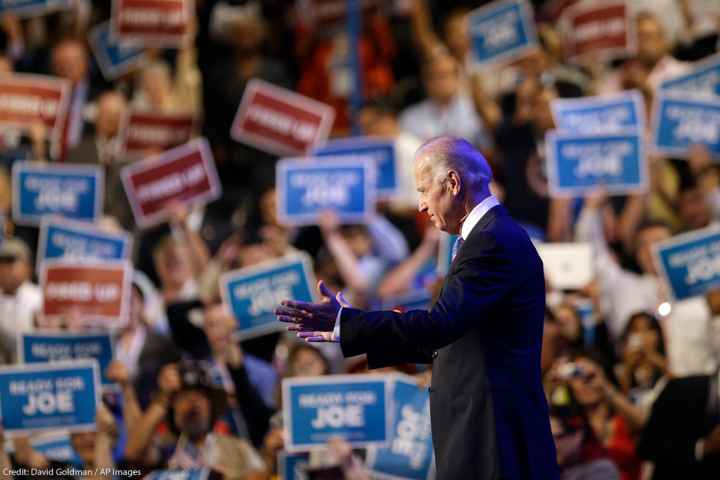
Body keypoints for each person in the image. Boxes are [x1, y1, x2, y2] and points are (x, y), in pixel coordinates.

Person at [276, 136, 559, 479]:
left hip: (493, 439)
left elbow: (438, 328)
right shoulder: (485, 238)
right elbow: (453, 341)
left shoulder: (492, 241)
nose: (421, 205)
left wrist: (347, 323)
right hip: (483, 433)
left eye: (424, 190)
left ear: (453, 183)